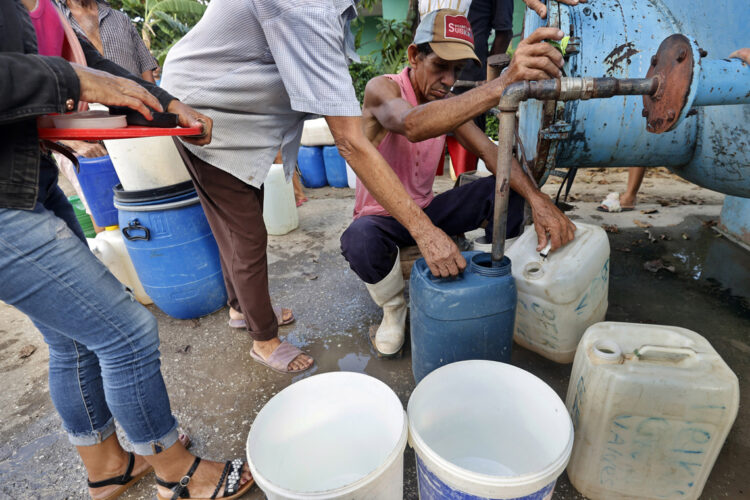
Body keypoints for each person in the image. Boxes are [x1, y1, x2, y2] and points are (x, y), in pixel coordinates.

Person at [0, 2, 254, 499]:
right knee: (127, 332)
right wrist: (72, 80)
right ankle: (177, 473)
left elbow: (96, 67)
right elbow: (81, 75)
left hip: (29, 178)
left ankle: (109, 467)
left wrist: (164, 102)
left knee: (73, 339)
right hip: (4, 205)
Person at [339, 9, 576, 356]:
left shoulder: (446, 102)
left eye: (457, 70)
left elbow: (491, 153)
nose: (448, 79)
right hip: (383, 219)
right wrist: (502, 83)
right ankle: (393, 309)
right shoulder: (382, 89)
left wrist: (539, 200)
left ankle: (488, 277)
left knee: (505, 190)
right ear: (413, 56)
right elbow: (411, 123)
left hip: (426, 209)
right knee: (358, 240)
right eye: (440, 66)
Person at [57, 0, 159, 82]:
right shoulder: (55, 18)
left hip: (134, 103)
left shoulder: (122, 19)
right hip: (83, 106)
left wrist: (154, 105)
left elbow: (146, 70)